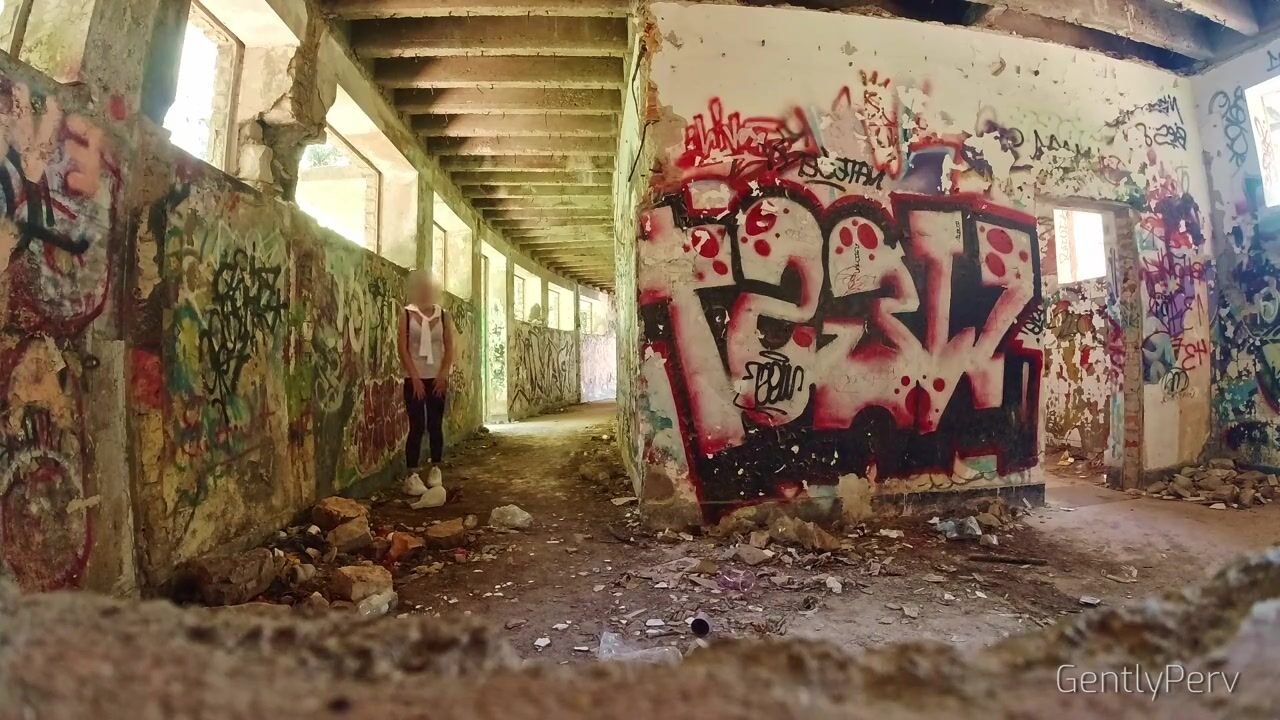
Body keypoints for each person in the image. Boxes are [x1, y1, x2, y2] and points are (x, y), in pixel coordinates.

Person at [397, 269, 454, 507]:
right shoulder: (406, 314)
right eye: (421, 288)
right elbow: (402, 348)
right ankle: (412, 474)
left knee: (435, 424)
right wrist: (415, 377)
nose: (425, 292)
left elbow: (449, 347)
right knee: (417, 425)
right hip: (414, 378)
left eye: (429, 288)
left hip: (437, 378)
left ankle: (435, 469)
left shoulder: (443, 315)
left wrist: (443, 374)